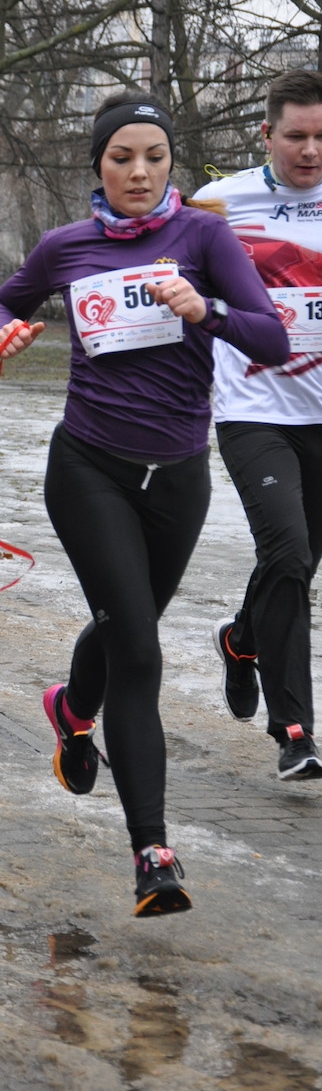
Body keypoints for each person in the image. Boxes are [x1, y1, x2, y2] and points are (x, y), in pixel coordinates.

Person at [0, 93, 289, 917]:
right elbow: (5, 302)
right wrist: (2, 330)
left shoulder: (204, 238)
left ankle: (70, 707)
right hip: (89, 468)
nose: (140, 171)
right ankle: (153, 852)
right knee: (141, 652)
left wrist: (207, 310)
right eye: (122, 157)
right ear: (99, 165)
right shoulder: (66, 245)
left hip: (179, 476)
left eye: (155, 156)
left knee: (129, 627)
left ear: (170, 164)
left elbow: (271, 336)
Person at [195, 69, 322, 781]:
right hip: (252, 412)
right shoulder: (218, 204)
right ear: (266, 134)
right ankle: (295, 731)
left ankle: (242, 638)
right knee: (289, 552)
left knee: (293, 564)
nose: (311, 151)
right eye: (296, 136)